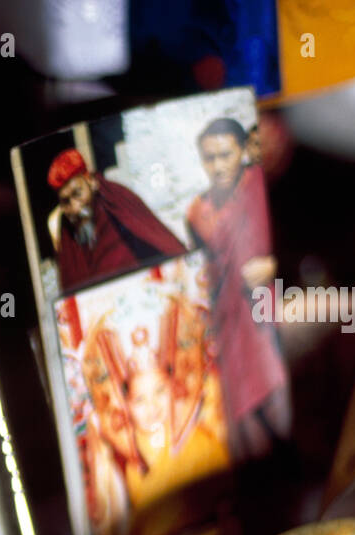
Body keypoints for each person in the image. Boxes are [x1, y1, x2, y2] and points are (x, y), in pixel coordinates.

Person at [185, 117, 290, 461]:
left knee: (279, 403)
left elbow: (294, 247)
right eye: (209, 158)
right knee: (244, 419)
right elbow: (203, 270)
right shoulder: (198, 212)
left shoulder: (257, 184)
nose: (218, 166)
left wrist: (274, 265)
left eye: (225, 155)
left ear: (242, 151)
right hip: (228, 319)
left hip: (267, 312)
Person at [46, 147, 186, 291]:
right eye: (66, 202)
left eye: (78, 193)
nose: (75, 208)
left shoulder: (116, 199)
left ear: (91, 181)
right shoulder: (67, 232)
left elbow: (158, 241)